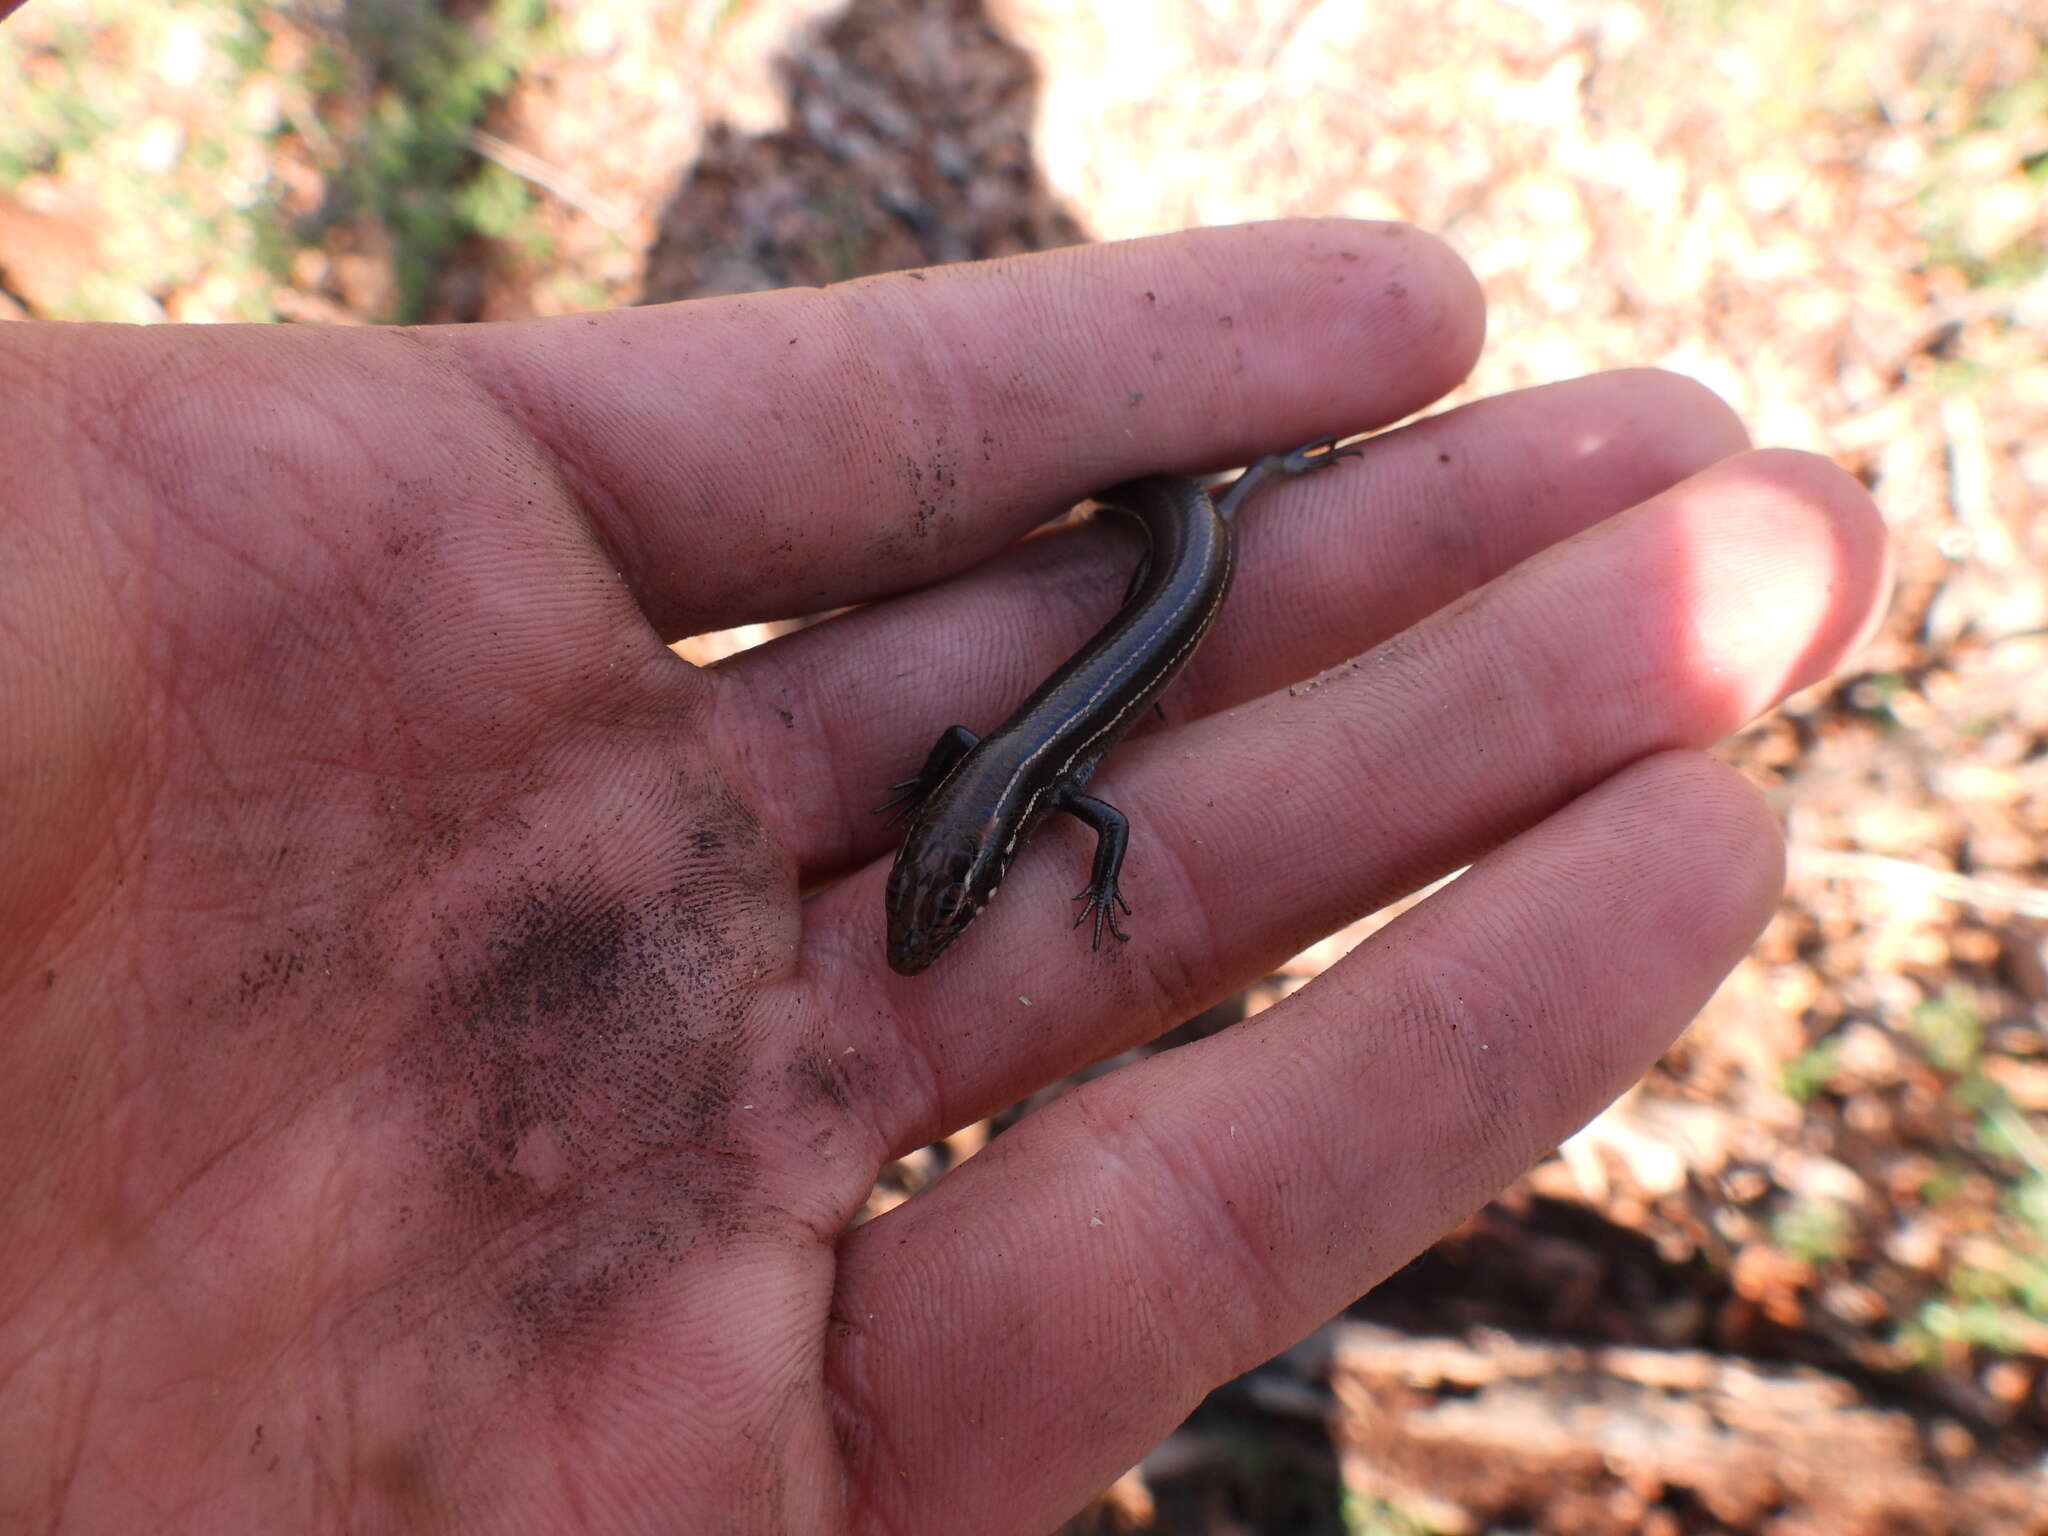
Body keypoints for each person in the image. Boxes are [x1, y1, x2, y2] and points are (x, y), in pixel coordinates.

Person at [0, 220, 1885, 1533]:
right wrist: (1053, 855)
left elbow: (1096, 806)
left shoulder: (1014, 779)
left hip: (1167, 624)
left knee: (1219, 535)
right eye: (935, 903)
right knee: (1189, 530)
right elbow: (1055, 802)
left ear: (954, 861)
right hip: (1110, 648)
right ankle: (1201, 491)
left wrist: (1094, 867)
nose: (928, 920)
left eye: (936, 903)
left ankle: (1233, 485)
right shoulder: (997, 786)